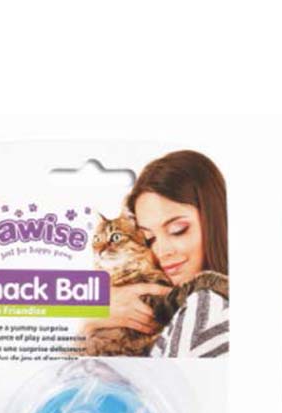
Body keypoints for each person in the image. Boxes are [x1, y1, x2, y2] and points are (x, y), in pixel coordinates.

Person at [85, 150, 229, 356]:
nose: (162, 252)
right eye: (149, 239)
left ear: (215, 219)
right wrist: (89, 323)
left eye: (178, 230)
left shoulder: (205, 305)